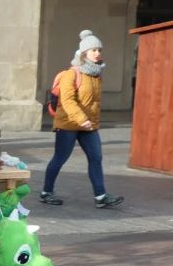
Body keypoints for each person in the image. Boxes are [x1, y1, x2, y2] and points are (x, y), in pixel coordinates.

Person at [41, 29, 123, 209]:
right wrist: (81, 118)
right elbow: (67, 100)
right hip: (69, 123)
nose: (97, 53)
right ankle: (46, 192)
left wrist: (90, 121)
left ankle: (100, 196)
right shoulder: (72, 74)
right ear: (84, 52)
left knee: (96, 158)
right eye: (93, 50)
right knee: (60, 158)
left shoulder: (96, 75)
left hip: (89, 125)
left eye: (99, 50)